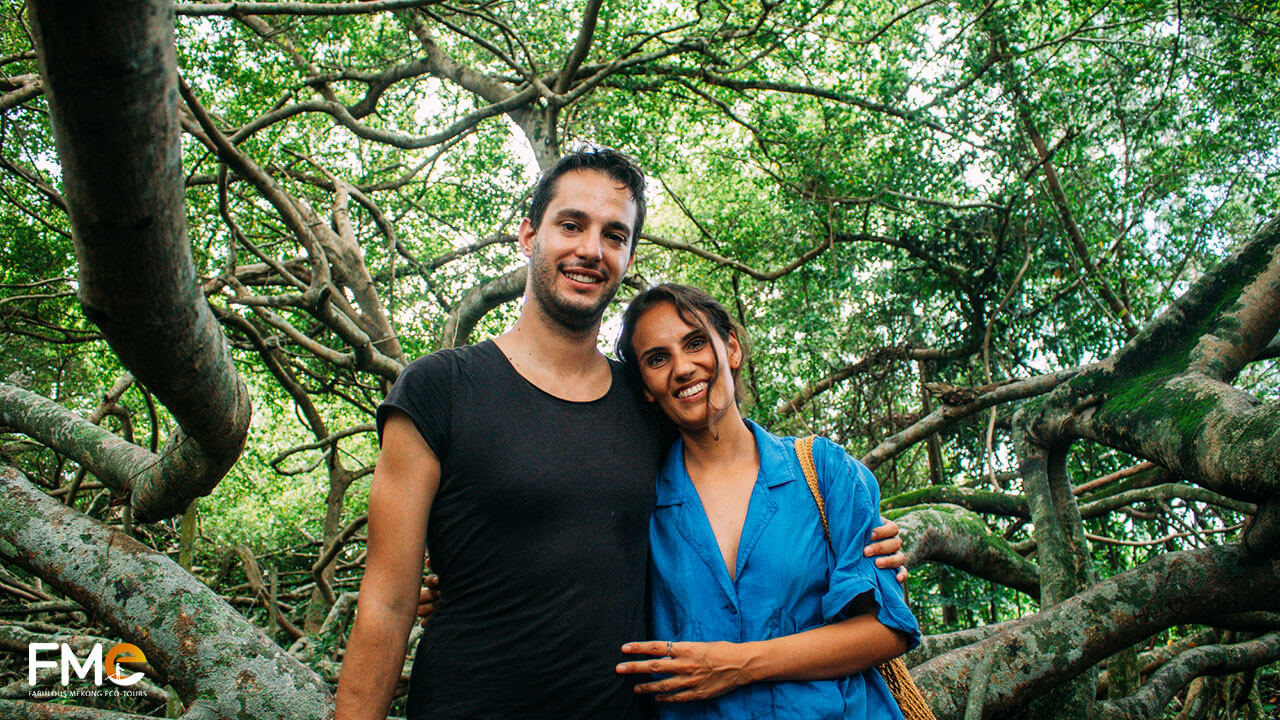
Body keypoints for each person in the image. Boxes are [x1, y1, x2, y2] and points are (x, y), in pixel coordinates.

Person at [333, 147, 905, 720]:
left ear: (628, 255)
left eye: (614, 234)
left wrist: (872, 542)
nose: (590, 249)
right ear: (529, 235)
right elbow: (387, 601)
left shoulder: (644, 406)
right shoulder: (438, 390)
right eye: (572, 225)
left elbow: (730, 469)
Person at [613, 284, 920, 719]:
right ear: (646, 387)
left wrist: (737, 665)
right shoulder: (639, 503)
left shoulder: (824, 471)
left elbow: (888, 630)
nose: (682, 368)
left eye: (696, 342)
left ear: (732, 348)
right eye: (657, 358)